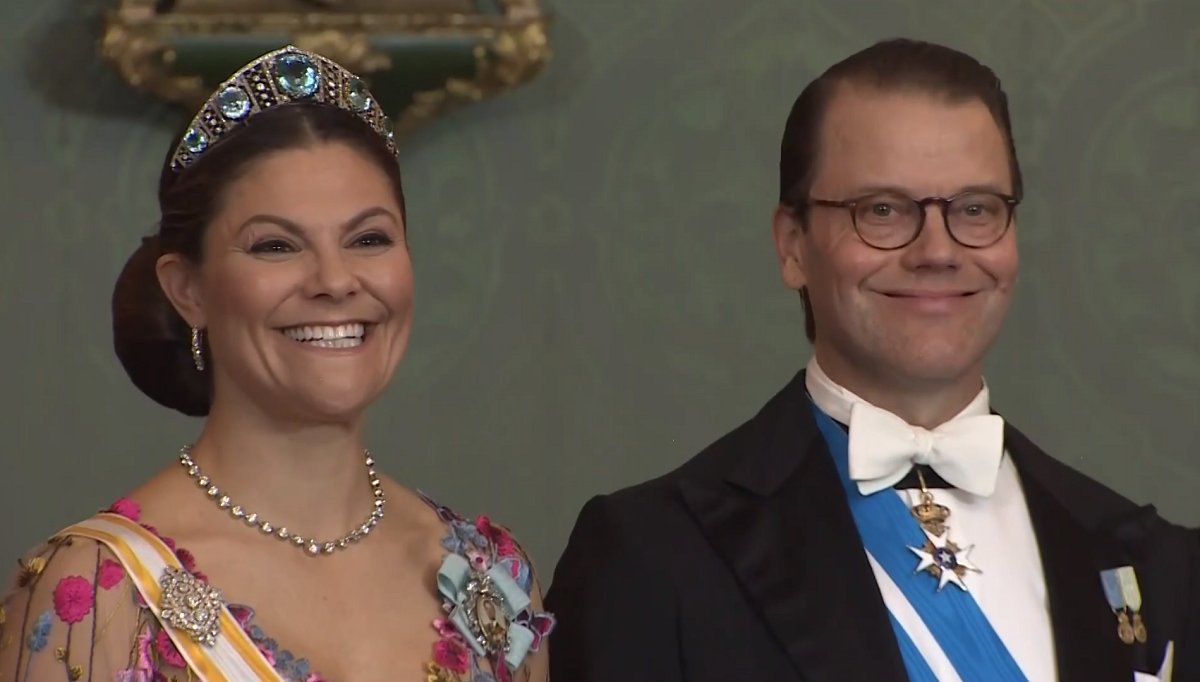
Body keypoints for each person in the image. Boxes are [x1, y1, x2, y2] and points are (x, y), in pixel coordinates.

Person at [546, 38, 1197, 682]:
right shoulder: (652, 558)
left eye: (975, 210)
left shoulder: (1154, 561)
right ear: (793, 245)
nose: (938, 251)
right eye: (883, 211)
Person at [0, 46, 553, 682]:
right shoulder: (98, 593)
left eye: (368, 238)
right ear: (190, 291)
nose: (336, 280)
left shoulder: (492, 579)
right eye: (276, 246)